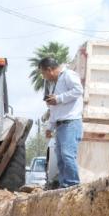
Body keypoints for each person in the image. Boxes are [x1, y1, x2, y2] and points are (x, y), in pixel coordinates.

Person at [40, 57, 84, 188]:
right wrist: (50, 127)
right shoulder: (54, 84)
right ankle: (64, 185)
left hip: (71, 123)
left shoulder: (68, 75)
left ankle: (72, 184)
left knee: (67, 155)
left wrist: (59, 98)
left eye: (43, 73)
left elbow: (78, 90)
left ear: (49, 70)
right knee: (60, 157)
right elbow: (54, 108)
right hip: (61, 125)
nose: (44, 77)